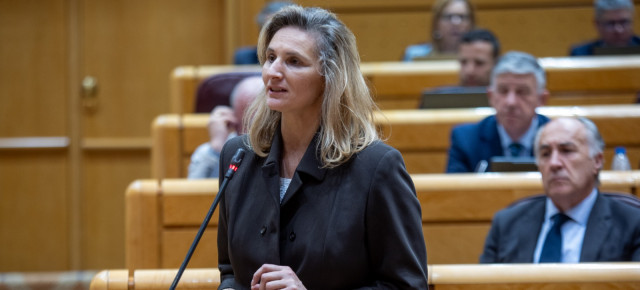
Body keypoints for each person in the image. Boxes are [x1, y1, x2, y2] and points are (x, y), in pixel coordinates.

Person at [217, 5, 428, 289]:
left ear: (329, 77)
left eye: (293, 61)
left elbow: (407, 285)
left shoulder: (376, 167)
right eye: (270, 58)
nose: (273, 72)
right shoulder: (238, 157)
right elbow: (230, 271)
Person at [480, 117, 640, 263]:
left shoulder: (632, 224)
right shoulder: (507, 224)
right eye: (545, 154)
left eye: (567, 151)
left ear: (597, 161)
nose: (554, 163)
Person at [446, 51, 550, 173]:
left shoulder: (558, 139)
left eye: (522, 92)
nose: (511, 102)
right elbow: (455, 191)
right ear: (491, 96)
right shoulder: (465, 139)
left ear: (541, 99)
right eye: (503, 91)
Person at [187, 76, 263, 179]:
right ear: (234, 119)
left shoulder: (285, 148)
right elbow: (194, 193)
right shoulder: (209, 153)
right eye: (246, 121)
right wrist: (217, 149)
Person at [403, 0, 475, 61]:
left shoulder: (481, 58)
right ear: (436, 24)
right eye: (448, 17)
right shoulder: (415, 55)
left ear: (472, 23)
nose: (455, 23)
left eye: (462, 17)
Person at [569, 0, 639, 56]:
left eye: (624, 22)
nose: (618, 30)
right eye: (610, 23)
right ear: (597, 24)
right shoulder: (581, 54)